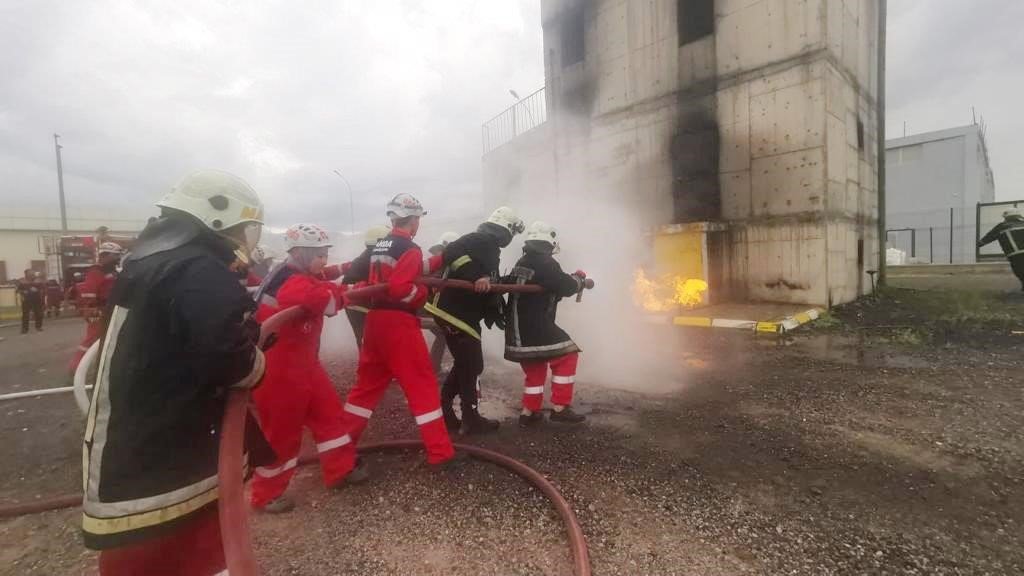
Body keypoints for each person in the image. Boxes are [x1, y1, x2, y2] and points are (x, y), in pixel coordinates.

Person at [81, 169, 269, 576]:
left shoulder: (150, 260)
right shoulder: (197, 270)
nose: (242, 238)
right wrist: (258, 360)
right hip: (169, 448)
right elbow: (229, 355)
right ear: (215, 219)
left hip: (141, 438)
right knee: (179, 552)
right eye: (240, 227)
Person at [335, 193, 459, 476]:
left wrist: (442, 258)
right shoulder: (410, 247)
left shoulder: (383, 244)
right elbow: (401, 287)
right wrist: (424, 293)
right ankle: (440, 453)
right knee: (422, 386)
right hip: (398, 325)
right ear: (414, 220)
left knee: (364, 390)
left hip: (375, 323)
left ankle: (339, 450)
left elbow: (409, 270)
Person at [249, 223, 365, 513]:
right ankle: (266, 495)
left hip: (303, 363)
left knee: (329, 415)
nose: (323, 260)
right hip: (279, 368)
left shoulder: (293, 271)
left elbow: (321, 278)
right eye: (317, 254)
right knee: (283, 432)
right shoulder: (292, 283)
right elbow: (324, 301)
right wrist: (345, 290)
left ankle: (341, 468)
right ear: (299, 253)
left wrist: (351, 266)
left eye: (325, 253)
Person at [426, 208, 524, 434]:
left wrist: (502, 285)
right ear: (506, 229)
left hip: (457, 313)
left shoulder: (486, 244)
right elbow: (452, 252)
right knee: (471, 364)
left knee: (467, 364)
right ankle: (470, 418)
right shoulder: (483, 240)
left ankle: (450, 412)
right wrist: (475, 276)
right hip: (456, 314)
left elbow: (489, 279)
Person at [503, 221, 591, 426]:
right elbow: (565, 285)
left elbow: (550, 285)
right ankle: (560, 407)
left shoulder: (523, 261)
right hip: (534, 325)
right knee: (568, 354)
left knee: (536, 364)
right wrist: (578, 278)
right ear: (549, 244)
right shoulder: (545, 262)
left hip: (518, 329)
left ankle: (529, 412)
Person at [69, 242, 124, 374]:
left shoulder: (112, 271)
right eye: (115, 255)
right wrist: (92, 309)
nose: (118, 258)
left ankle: (105, 368)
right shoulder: (96, 271)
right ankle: (75, 369)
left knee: (110, 339)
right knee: (92, 339)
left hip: (109, 309)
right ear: (105, 255)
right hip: (98, 309)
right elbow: (89, 292)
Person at [341, 225, 391, 347]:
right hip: (359, 304)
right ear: (381, 242)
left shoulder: (367, 256)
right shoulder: (375, 257)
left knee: (365, 341)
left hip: (354, 303)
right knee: (370, 342)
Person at [423, 231, 459, 375]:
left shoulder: (433, 261)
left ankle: (433, 367)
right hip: (425, 310)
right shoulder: (441, 264)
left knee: (445, 332)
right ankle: (433, 368)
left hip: (423, 308)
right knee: (445, 333)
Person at [978, 209, 1024, 291]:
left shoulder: (1001, 226)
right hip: (1017, 253)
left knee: (1020, 271)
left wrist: (979, 244)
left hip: (1014, 254)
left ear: (1007, 217)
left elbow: (988, 238)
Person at [15, 270, 45, 334]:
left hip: (36, 300)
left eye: (33, 273)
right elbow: (18, 290)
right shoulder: (22, 281)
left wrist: (38, 290)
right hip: (26, 300)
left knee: (38, 313)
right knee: (25, 315)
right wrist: (23, 292)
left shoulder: (38, 280)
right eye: (30, 273)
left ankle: (38, 327)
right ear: (26, 274)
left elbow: (43, 288)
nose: (32, 274)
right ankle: (25, 329)